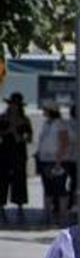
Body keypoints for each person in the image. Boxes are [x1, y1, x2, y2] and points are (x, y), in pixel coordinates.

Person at [35, 104, 72, 225]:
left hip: (56, 160)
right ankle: (47, 215)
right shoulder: (46, 124)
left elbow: (64, 143)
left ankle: (63, 215)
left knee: (60, 188)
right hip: (45, 159)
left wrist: (59, 161)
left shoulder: (60, 124)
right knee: (48, 189)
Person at [1, 92, 33, 223]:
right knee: (2, 179)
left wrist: (18, 135)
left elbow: (30, 137)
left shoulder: (25, 120)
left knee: (19, 179)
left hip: (19, 152)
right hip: (4, 152)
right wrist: (7, 131)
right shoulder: (3, 118)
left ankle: (20, 205)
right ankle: (1, 206)